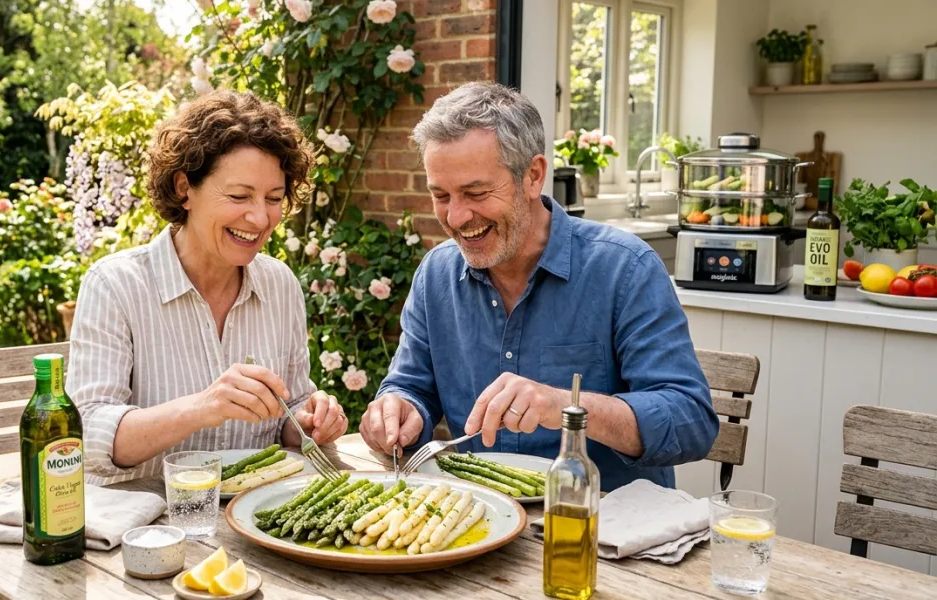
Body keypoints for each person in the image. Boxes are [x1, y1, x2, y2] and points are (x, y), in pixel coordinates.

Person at [358, 82, 717, 491]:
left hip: (605, 520)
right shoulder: (436, 274)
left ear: (533, 176)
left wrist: (566, 406)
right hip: (480, 515)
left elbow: (691, 421)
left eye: (476, 192)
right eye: (441, 196)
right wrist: (400, 410)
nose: (456, 218)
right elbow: (410, 387)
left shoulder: (625, 268)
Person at [67, 91, 347, 485]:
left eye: (274, 198)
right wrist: (202, 407)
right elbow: (87, 433)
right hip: (145, 514)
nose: (260, 218)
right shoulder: (115, 285)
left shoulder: (280, 284)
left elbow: (292, 408)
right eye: (238, 196)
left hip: (248, 511)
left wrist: (308, 420)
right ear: (184, 188)